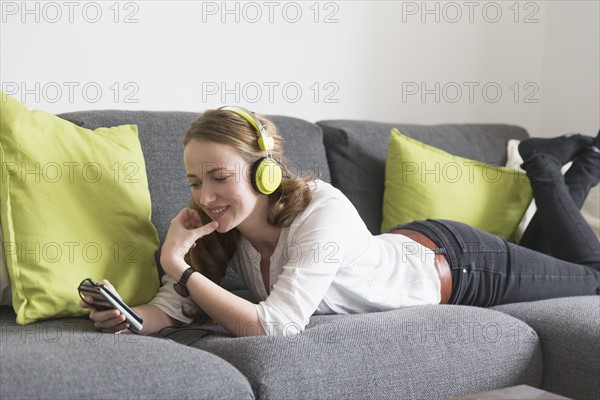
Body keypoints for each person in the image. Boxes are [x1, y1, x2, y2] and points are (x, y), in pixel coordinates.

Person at [80, 107, 600, 337]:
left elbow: (276, 326)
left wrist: (176, 262)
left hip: (465, 265)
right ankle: (575, 165)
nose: (205, 196)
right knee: (559, 259)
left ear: (265, 174)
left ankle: (543, 163)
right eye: (195, 182)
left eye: (219, 177)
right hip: (415, 245)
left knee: (593, 276)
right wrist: (129, 316)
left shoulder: (320, 208)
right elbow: (172, 308)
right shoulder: (220, 234)